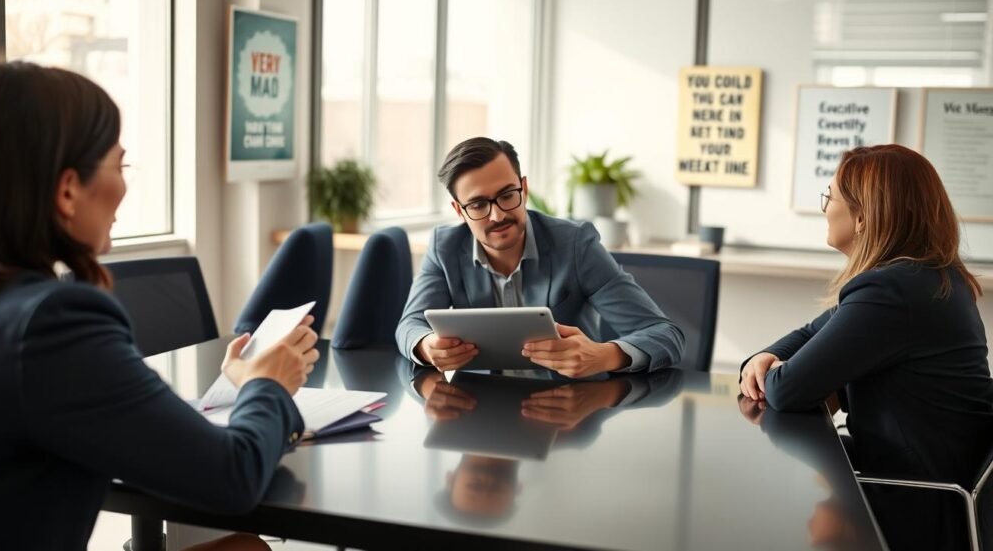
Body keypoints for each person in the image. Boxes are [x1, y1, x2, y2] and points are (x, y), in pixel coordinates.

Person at [0, 62, 319, 551]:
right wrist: (268, 383)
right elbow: (231, 477)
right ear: (68, 190)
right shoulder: (50, 323)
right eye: (120, 164)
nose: (124, 186)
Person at [738, 144, 993, 550]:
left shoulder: (894, 291)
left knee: (751, 500)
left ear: (863, 217)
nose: (825, 208)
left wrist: (774, 370)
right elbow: (808, 334)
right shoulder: (927, 278)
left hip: (917, 501)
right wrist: (762, 358)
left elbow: (787, 390)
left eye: (831, 196)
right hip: (928, 484)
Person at [395, 137, 684, 377]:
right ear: (459, 211)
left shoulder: (575, 244)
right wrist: (427, 345)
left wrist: (605, 355)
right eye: (479, 204)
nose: (498, 215)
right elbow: (409, 326)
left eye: (508, 195)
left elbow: (665, 334)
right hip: (480, 411)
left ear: (524, 187)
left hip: (569, 418)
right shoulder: (444, 247)